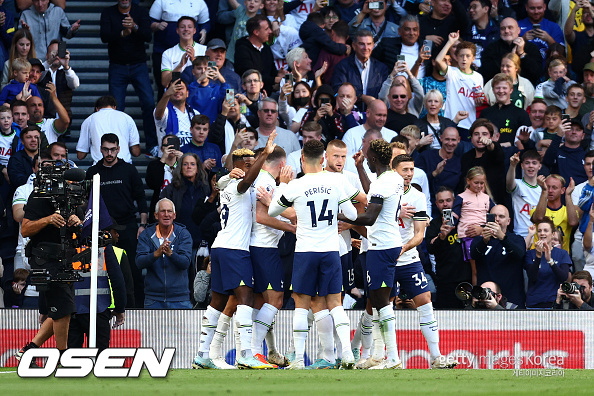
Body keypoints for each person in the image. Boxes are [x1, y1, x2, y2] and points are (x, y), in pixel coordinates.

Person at [269, 139, 357, 370]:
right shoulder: (336, 182)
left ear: (302, 160)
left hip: (306, 252)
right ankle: (347, 355)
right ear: (324, 159)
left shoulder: (296, 185)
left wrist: (282, 184)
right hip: (330, 250)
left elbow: (272, 210)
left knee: (301, 304)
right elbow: (352, 215)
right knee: (335, 303)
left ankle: (298, 359)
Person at [193, 132, 277, 370]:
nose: (252, 168)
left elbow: (228, 181)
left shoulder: (227, 184)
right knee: (246, 297)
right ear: (238, 167)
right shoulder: (237, 185)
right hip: (234, 249)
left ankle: (202, 354)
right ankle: (246, 353)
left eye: (253, 163)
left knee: (217, 301)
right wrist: (265, 154)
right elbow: (245, 181)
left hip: (221, 247)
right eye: (247, 165)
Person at [338, 140, 407, 370]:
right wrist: (359, 168)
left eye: (367, 156)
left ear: (374, 158)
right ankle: (378, 355)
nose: (365, 158)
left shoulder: (384, 183)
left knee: (382, 302)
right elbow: (372, 191)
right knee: (377, 301)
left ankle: (393, 357)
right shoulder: (392, 178)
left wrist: (340, 215)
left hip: (382, 245)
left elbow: (369, 218)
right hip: (385, 244)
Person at [14, 160, 82, 364]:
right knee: (63, 310)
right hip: (45, 259)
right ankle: (63, 356)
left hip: (65, 257)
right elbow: (25, 229)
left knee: (60, 309)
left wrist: (75, 222)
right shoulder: (39, 196)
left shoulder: (71, 198)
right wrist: (48, 219)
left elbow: (72, 228)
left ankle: (29, 350)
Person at [85, 133, 148, 308]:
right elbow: (85, 202)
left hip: (127, 226)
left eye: (113, 149)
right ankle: (102, 307)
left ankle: (136, 308)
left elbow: (141, 199)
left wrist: (142, 225)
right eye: (106, 149)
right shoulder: (92, 172)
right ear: (100, 149)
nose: (109, 153)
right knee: (102, 271)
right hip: (101, 229)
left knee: (133, 272)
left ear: (119, 149)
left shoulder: (128, 170)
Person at [249, 146, 295, 367]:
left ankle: (265, 351)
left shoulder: (261, 180)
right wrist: (290, 228)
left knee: (261, 302)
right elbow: (261, 216)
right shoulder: (266, 182)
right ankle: (254, 351)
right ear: (281, 165)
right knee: (276, 300)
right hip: (264, 248)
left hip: (258, 247)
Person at [100, 0, 157, 154]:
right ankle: (119, 146)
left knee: (149, 103)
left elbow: (147, 36)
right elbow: (104, 36)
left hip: (139, 65)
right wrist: (121, 33)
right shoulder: (108, 12)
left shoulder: (140, 12)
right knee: (116, 109)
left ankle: (152, 145)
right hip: (117, 65)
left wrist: (135, 27)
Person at [68, 228, 127, 352]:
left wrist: (46, 309)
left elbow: (51, 276)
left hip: (70, 309)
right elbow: (117, 280)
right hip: (99, 309)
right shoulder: (103, 244)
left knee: (70, 360)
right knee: (100, 359)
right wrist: (120, 309)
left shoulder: (67, 241)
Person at [136, 198, 193, 309]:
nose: (166, 214)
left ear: (174, 215)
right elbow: (139, 262)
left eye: (169, 211)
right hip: (153, 299)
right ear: (156, 215)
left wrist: (170, 254)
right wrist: (156, 254)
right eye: (163, 211)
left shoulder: (183, 234)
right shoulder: (146, 234)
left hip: (180, 299)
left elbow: (185, 262)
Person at [470, 205, 527, 308]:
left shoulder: (517, 239)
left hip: (512, 300)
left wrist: (502, 237)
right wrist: (484, 241)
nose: (497, 219)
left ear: (508, 221)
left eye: (501, 216)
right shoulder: (480, 240)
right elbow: (473, 255)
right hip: (485, 299)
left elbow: (520, 254)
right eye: (494, 216)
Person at [426, 187, 470, 309]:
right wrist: (441, 236)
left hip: (467, 278)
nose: (445, 204)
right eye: (441, 201)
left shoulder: (465, 220)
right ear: (436, 204)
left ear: (454, 201)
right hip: (445, 281)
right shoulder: (434, 225)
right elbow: (430, 248)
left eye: (448, 200)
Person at [435, 32, 484, 135]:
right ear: (456, 57)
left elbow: (478, 99)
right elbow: (438, 60)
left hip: (469, 123)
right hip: (450, 121)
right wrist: (450, 42)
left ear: (473, 58)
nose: (464, 59)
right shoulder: (452, 72)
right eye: (461, 56)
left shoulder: (478, 77)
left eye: (467, 56)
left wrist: (479, 102)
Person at [453, 166, 495, 285]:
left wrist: (483, 229)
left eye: (482, 183)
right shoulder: (461, 197)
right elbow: (453, 217)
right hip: (468, 236)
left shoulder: (487, 198)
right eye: (476, 182)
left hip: (485, 234)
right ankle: (475, 299)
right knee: (475, 269)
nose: (479, 186)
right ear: (468, 181)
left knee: (488, 266)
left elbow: (493, 215)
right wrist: (444, 230)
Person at [331, 29, 389, 106]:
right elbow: (337, 91)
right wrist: (362, 97)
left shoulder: (381, 68)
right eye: (362, 44)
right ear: (354, 46)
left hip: (374, 114)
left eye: (369, 44)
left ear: (373, 45)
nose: (365, 48)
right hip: (349, 112)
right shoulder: (342, 66)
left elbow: (386, 94)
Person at [76, 95, 141, 164]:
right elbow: (136, 152)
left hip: (100, 167)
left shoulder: (89, 120)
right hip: (124, 166)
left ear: (97, 109)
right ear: (114, 107)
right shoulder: (127, 118)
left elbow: (81, 155)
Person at [524, 217, 572, 309]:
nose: (542, 233)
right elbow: (532, 277)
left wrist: (550, 261)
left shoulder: (562, 253)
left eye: (546, 230)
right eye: (539, 231)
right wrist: (538, 256)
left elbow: (563, 277)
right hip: (534, 304)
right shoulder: (530, 254)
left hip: (555, 303)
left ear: (553, 234)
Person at [479, 17, 543, 86]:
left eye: (510, 28)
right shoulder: (491, 48)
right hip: (498, 88)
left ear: (518, 30)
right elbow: (487, 71)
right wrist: (510, 57)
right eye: (503, 28)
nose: (506, 31)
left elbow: (537, 73)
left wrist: (522, 54)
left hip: (525, 89)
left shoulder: (531, 47)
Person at [459, 119, 506, 205]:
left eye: (484, 134)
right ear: (471, 138)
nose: (480, 137)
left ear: (491, 137)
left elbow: (496, 151)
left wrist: (490, 144)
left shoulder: (495, 152)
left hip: (496, 204)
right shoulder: (466, 157)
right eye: (476, 134)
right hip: (472, 205)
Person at [530, 174, 579, 254]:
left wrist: (568, 195)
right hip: (538, 255)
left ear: (562, 190)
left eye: (554, 188)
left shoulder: (568, 212)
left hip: (560, 258)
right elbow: (538, 218)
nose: (550, 190)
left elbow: (573, 222)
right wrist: (544, 191)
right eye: (548, 187)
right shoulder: (538, 210)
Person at [479, 73, 531, 147]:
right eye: (497, 88)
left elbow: (527, 142)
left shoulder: (521, 114)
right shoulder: (485, 113)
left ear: (511, 90)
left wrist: (510, 144)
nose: (501, 91)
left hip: (511, 155)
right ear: (493, 90)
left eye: (504, 88)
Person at [234, 15, 281, 95]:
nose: (270, 31)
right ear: (256, 32)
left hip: (267, 94)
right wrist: (275, 80)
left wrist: (279, 74)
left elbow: (271, 69)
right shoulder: (242, 50)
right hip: (247, 95)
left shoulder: (266, 48)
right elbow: (251, 75)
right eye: (266, 29)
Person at [160, 16, 207, 89]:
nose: (186, 29)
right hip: (177, 93)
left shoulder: (205, 50)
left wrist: (194, 60)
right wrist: (180, 65)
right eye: (182, 27)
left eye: (190, 27)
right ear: (177, 30)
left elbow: (211, 77)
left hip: (200, 92)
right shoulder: (168, 53)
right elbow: (165, 83)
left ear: (194, 30)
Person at [39, 40, 79, 122]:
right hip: (45, 118)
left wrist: (66, 67)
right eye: (53, 53)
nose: (56, 56)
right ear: (47, 55)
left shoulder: (67, 72)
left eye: (58, 53)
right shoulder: (43, 70)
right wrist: (49, 62)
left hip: (64, 119)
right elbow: (37, 78)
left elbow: (75, 84)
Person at [146, 134, 183, 221]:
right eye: (166, 145)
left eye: (173, 145)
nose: (170, 148)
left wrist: (183, 161)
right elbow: (153, 184)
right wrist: (162, 160)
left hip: (180, 208)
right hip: (160, 206)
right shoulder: (154, 165)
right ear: (162, 148)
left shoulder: (184, 165)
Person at [154, 79, 200, 150]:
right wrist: (167, 94)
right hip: (169, 158)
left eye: (181, 88)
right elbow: (158, 115)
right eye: (174, 88)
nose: (177, 91)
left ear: (187, 93)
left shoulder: (195, 113)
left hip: (190, 158)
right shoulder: (165, 111)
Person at [506, 150, 542, 238]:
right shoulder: (518, 184)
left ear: (539, 166)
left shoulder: (544, 188)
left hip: (540, 235)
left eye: (534, 163)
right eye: (527, 163)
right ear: (522, 166)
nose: (530, 166)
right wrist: (513, 165)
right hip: (520, 234)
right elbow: (509, 184)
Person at [542, 118, 587, 186]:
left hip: (581, 195)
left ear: (583, 136)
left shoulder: (587, 156)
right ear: (564, 132)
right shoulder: (556, 152)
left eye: (578, 130)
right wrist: (559, 135)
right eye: (570, 129)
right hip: (559, 194)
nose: (574, 132)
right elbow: (547, 162)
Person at [186, 56, 229, 123]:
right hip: (194, 128)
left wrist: (222, 80)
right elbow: (187, 100)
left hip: (213, 129)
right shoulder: (190, 88)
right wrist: (200, 79)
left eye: (206, 68)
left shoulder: (216, 89)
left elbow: (230, 99)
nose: (203, 72)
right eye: (199, 68)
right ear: (193, 72)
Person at [464, 0, 499, 69]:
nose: (471, 10)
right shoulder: (466, 31)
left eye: (474, 7)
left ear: (486, 9)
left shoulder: (498, 30)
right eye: (470, 8)